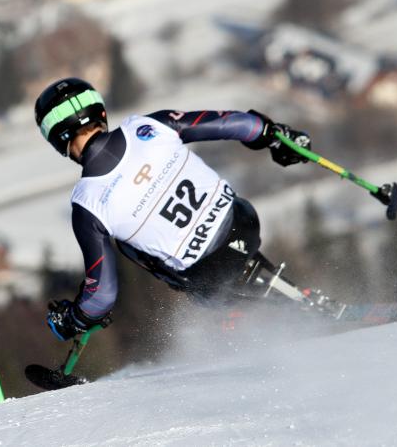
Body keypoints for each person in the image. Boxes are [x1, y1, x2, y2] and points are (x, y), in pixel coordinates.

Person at [34, 77, 312, 341]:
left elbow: (102, 297)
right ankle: (288, 305)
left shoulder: (87, 204)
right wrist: (275, 136)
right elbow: (234, 123)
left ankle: (244, 313)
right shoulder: (147, 126)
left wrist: (74, 319)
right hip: (243, 221)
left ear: (59, 140)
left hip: (208, 274)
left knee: (128, 247)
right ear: (101, 114)